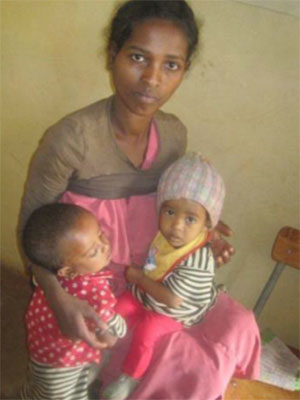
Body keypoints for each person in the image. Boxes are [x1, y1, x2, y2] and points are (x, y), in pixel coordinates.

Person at [18, 1, 259, 399]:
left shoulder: (175, 135)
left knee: (237, 327)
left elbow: (177, 205)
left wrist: (201, 234)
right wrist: (57, 299)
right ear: (113, 54)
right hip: (90, 287)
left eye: (171, 65)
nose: (151, 79)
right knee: (177, 362)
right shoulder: (71, 139)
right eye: (137, 57)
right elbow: (32, 233)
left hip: (153, 278)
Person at [101, 152, 225, 400]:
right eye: (169, 212)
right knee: (117, 307)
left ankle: (129, 378)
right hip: (146, 294)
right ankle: (99, 355)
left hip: (172, 309)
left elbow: (174, 301)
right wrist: (139, 285)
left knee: (147, 332)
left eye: (190, 218)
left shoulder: (198, 260)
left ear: (206, 225)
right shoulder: (165, 237)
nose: (176, 225)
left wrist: (138, 280)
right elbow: (152, 265)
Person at [20, 203, 127, 400]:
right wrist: (121, 327)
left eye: (100, 233)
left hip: (41, 351)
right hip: (65, 363)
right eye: (93, 251)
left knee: (40, 386)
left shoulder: (51, 273)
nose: (105, 245)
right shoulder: (96, 293)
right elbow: (113, 326)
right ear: (68, 271)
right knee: (66, 394)